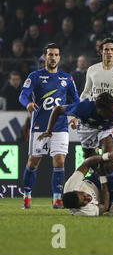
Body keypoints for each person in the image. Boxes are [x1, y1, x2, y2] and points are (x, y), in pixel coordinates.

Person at [18, 43, 80, 209]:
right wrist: (28, 104)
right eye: (50, 55)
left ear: (60, 58)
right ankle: (27, 196)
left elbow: (76, 100)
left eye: (56, 55)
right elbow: (22, 95)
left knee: (59, 161)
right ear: (45, 57)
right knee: (33, 162)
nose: (53, 58)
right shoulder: (35, 76)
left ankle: (57, 199)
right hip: (40, 126)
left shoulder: (67, 78)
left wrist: (75, 116)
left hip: (60, 127)